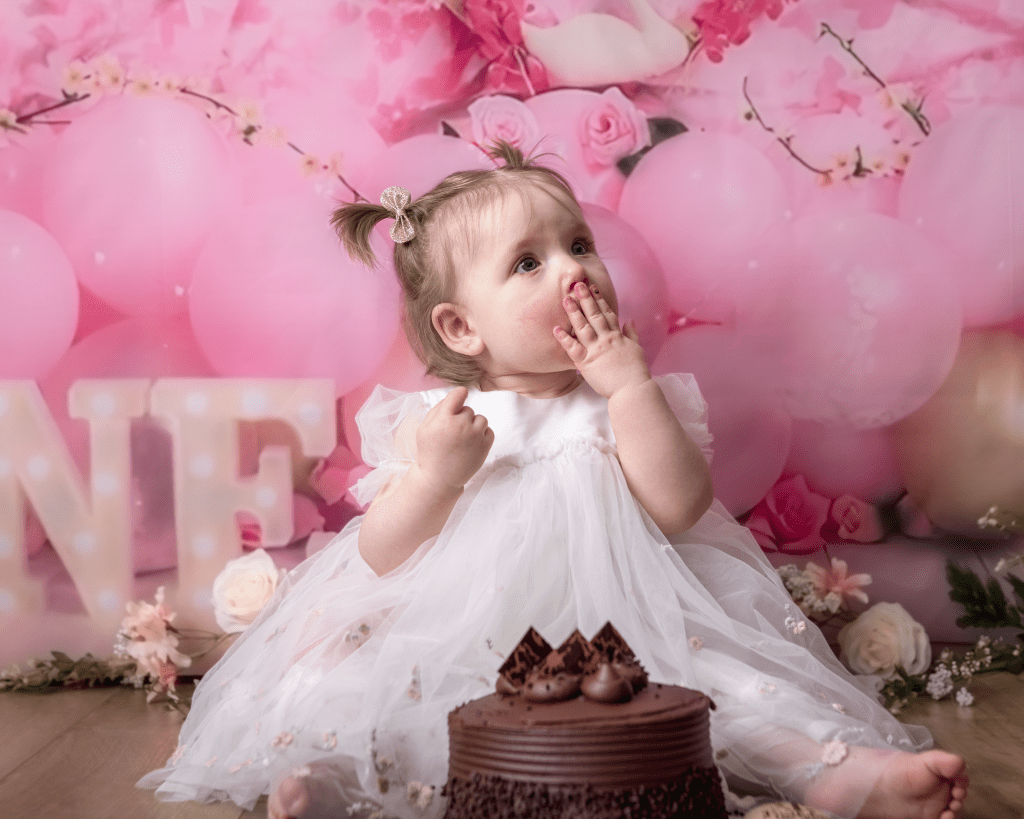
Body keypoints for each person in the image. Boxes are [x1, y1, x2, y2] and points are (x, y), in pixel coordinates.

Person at [139, 142, 968, 819]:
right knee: (379, 687)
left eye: (579, 245)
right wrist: (434, 479)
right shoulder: (444, 423)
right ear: (462, 327)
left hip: (630, 631)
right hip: (463, 632)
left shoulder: (624, 400)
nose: (573, 270)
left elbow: (680, 505)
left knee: (720, 691)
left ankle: (837, 774)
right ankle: (341, 784)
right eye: (528, 263)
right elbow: (381, 553)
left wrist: (630, 388)